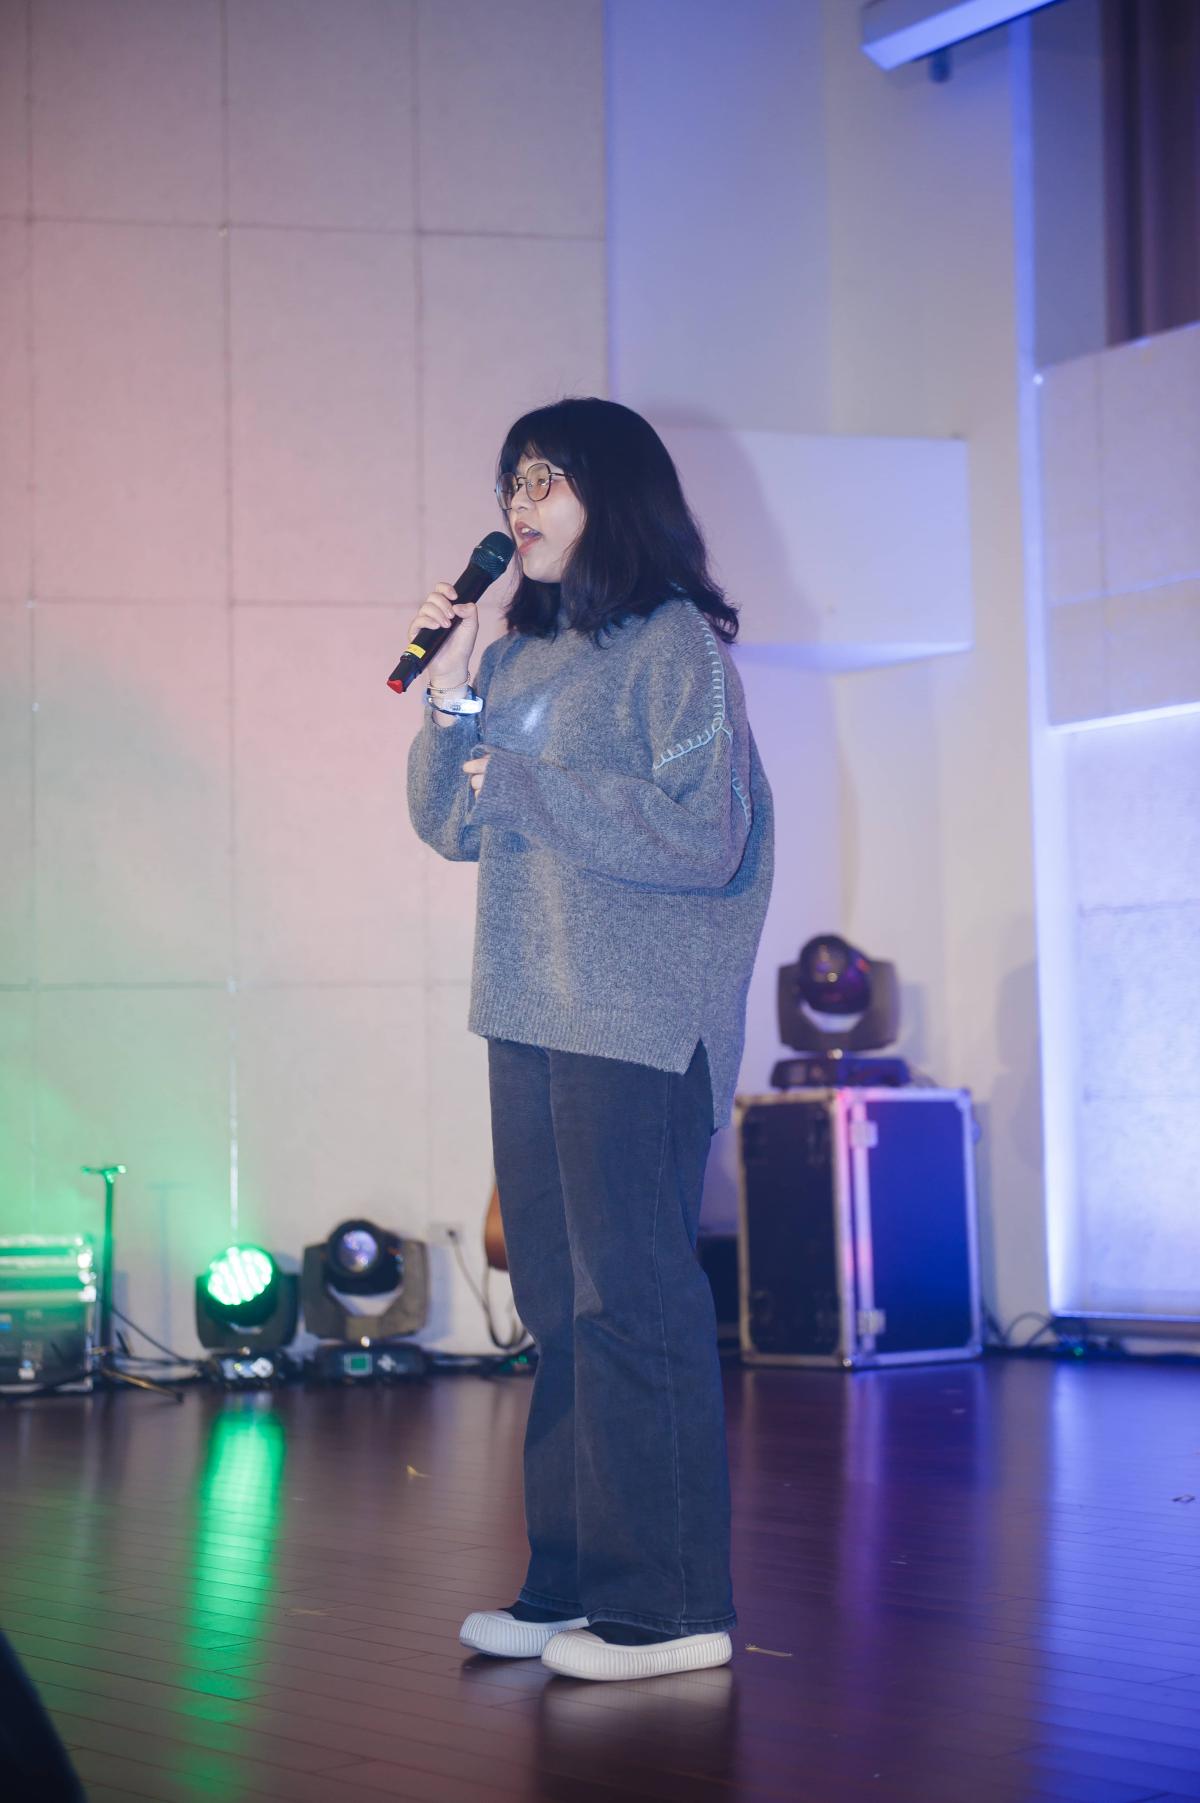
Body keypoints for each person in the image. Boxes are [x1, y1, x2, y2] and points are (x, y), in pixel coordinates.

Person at [406, 397, 774, 1682]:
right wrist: (452, 694)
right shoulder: (517, 657)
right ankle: (567, 1587)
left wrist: (528, 784)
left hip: (637, 1021)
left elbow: (705, 837)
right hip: (528, 1010)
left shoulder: (676, 647)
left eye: (547, 479)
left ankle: (669, 1613)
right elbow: (449, 825)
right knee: (559, 1311)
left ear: (613, 494)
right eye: (513, 481)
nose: (520, 504)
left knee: (634, 1304)